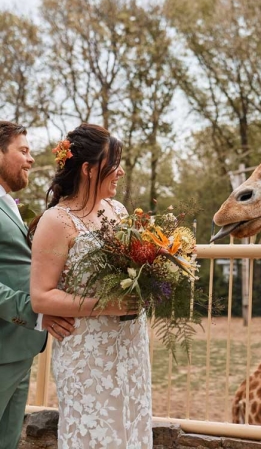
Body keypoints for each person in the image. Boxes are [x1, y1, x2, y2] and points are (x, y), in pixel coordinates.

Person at [30, 123, 152, 448]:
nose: (121, 172)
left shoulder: (119, 211)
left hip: (130, 350)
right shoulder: (56, 221)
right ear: (87, 169)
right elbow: (41, 296)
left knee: (132, 429)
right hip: (88, 358)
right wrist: (107, 305)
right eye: (114, 164)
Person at [0, 121, 75, 449]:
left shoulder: (8, 204)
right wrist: (36, 312)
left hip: (19, 347)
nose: (31, 159)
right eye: (24, 151)